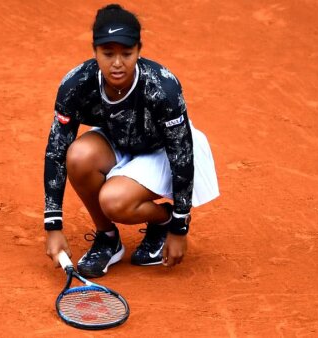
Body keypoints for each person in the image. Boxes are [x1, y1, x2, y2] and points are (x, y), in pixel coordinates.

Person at [44, 4, 219, 278]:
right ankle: (108, 238)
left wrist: (178, 227)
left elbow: (181, 155)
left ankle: (161, 222)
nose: (117, 63)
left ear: (139, 50)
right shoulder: (77, 84)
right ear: (94, 51)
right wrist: (53, 227)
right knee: (77, 156)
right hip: (119, 140)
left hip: (164, 151)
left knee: (113, 200)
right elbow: (56, 150)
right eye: (108, 53)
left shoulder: (162, 87)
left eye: (126, 54)